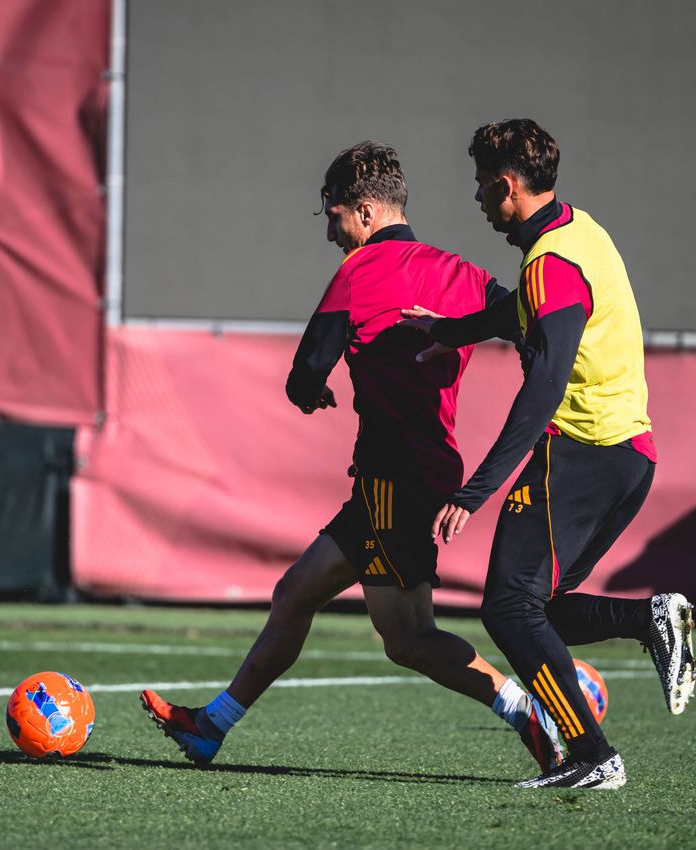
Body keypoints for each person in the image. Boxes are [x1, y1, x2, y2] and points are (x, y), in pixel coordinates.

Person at [140, 141, 564, 773]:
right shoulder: (466, 274)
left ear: (366, 213)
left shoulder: (359, 271)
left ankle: (528, 712)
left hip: (394, 478)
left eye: (334, 216)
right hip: (403, 477)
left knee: (408, 639)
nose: (332, 234)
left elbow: (306, 370)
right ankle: (211, 727)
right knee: (294, 594)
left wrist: (313, 393)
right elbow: (532, 324)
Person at [400, 119, 696, 790]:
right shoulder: (578, 232)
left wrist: (473, 492)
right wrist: (452, 332)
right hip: (628, 456)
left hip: (582, 453)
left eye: (482, 184)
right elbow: (528, 315)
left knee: (507, 607)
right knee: (542, 605)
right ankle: (650, 618)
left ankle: (594, 756)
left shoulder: (551, 261)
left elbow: (544, 387)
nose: (477, 196)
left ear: (507, 186)